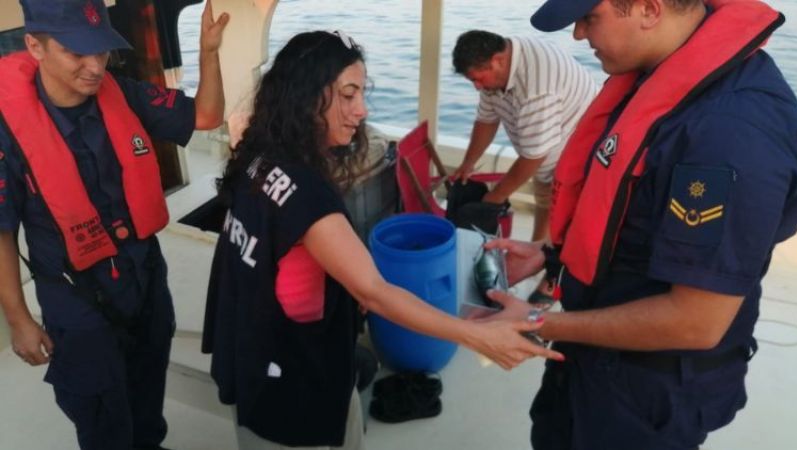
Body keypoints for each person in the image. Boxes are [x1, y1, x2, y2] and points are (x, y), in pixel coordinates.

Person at [200, 30, 563, 450]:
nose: (362, 110)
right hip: (292, 382)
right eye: (348, 95)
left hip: (251, 355)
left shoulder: (258, 159)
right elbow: (375, 293)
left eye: (362, 93)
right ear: (305, 96)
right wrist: (478, 335)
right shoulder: (307, 195)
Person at [482, 0, 797, 449]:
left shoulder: (729, 133)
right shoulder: (657, 74)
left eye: (589, 18)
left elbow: (696, 322)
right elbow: (631, 212)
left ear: (649, 10)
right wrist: (551, 256)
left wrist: (536, 321)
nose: (578, 34)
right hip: (593, 358)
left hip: (647, 391)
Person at [0, 1, 229, 449]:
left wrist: (208, 52)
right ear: (35, 46)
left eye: (101, 49)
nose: (94, 66)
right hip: (76, 297)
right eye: (76, 52)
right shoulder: (8, 129)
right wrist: (19, 318)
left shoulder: (121, 93)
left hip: (143, 275)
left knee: (148, 391)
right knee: (103, 418)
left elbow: (206, 116)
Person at [450, 30, 598, 242]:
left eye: (479, 79)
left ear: (498, 60)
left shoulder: (536, 88)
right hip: (548, 150)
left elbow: (532, 157)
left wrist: (496, 197)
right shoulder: (500, 67)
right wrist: (468, 162)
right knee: (546, 205)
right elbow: (486, 120)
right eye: (472, 81)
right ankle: (539, 248)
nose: (477, 87)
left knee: (568, 225)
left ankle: (548, 256)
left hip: (579, 158)